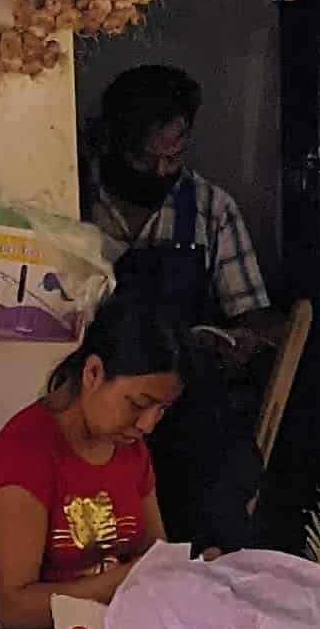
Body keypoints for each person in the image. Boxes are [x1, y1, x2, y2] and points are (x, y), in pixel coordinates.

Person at [83, 63, 279, 551]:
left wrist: (237, 343)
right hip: (99, 403)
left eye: (172, 158)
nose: (160, 173)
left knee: (219, 490)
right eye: (144, 159)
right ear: (111, 142)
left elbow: (252, 316)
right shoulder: (74, 199)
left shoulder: (210, 209)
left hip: (184, 408)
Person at [0, 295, 186, 629]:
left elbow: (155, 551)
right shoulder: (26, 452)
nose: (147, 425)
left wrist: (191, 571)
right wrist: (125, 580)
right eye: (138, 404)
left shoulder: (131, 449)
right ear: (93, 373)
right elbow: (13, 608)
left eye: (160, 410)